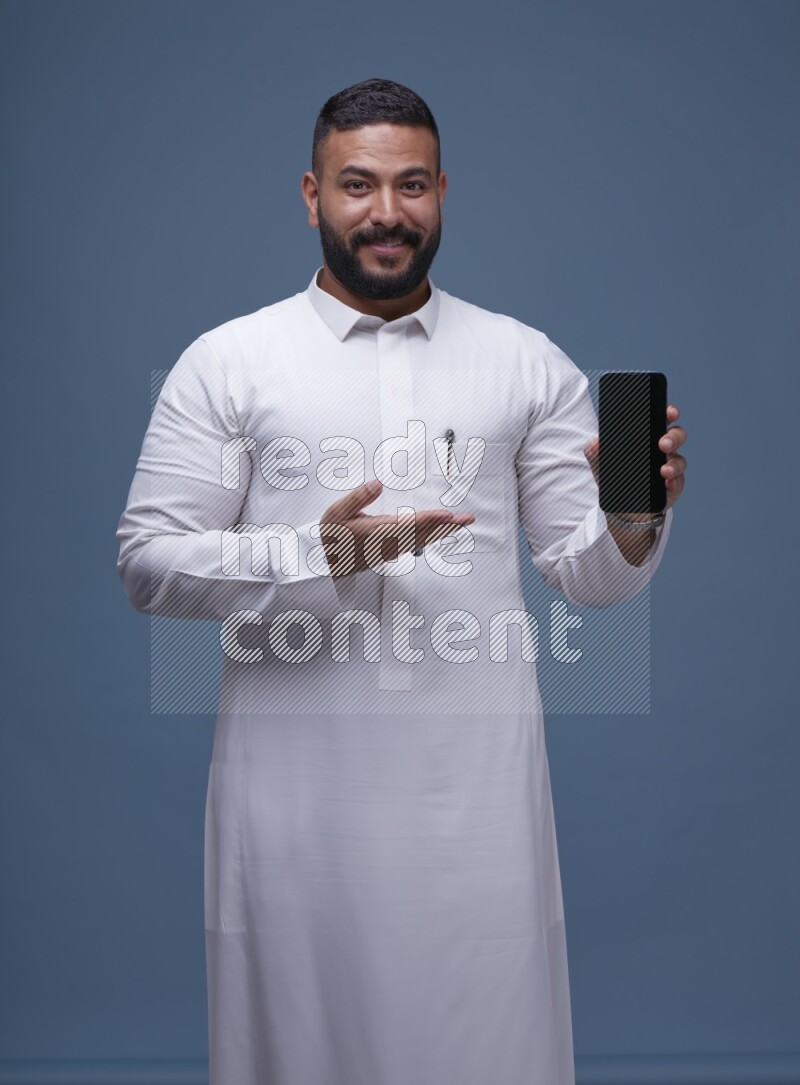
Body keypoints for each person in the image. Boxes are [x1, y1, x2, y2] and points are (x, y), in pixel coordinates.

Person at [117, 78, 687, 1085]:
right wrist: (314, 554)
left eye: (411, 183)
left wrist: (633, 514)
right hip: (293, 798)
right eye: (358, 184)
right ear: (310, 195)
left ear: (442, 190)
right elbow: (150, 563)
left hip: (477, 800)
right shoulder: (227, 363)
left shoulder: (524, 363)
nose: (387, 211)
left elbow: (587, 580)